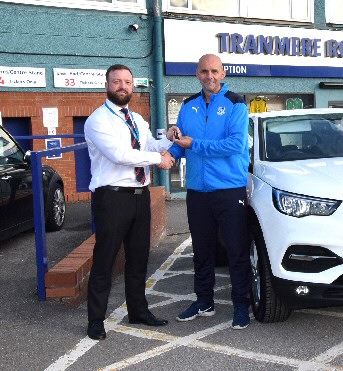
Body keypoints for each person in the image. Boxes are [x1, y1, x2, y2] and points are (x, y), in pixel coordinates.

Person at [84, 64, 178, 340]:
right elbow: (120, 154)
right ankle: (95, 321)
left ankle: (138, 311)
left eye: (127, 82)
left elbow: (148, 146)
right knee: (105, 260)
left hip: (140, 195)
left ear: (132, 86)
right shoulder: (98, 120)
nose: (123, 86)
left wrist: (168, 142)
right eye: (117, 82)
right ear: (107, 86)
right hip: (112, 198)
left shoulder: (137, 118)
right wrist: (157, 160)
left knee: (138, 258)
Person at [167, 54, 252, 329]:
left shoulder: (236, 104)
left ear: (223, 74)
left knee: (236, 250)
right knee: (202, 250)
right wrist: (170, 151)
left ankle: (241, 305)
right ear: (197, 74)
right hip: (198, 191)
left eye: (215, 71)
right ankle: (204, 301)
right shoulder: (188, 106)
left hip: (229, 189)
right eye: (204, 71)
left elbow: (235, 145)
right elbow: (181, 145)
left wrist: (194, 144)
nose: (210, 76)